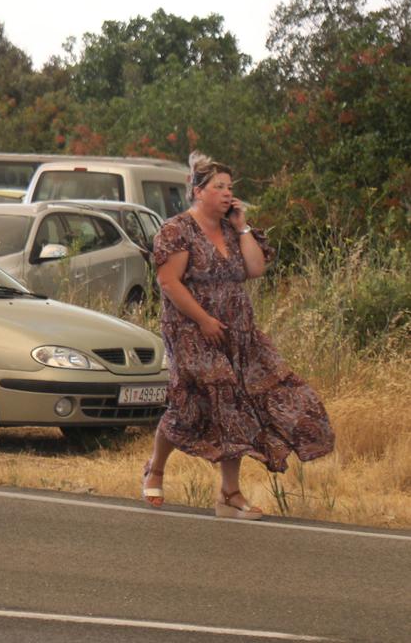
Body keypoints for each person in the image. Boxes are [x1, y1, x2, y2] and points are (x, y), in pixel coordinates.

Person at [139, 152, 334, 519]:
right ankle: (156, 468)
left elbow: (255, 269)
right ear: (198, 191)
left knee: (238, 404)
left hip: (237, 332)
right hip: (191, 330)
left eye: (230, 187)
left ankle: (229, 494)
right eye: (219, 187)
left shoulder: (232, 230)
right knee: (189, 406)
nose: (228, 193)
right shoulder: (177, 230)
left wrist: (243, 227)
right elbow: (169, 283)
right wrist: (204, 320)